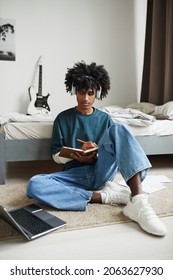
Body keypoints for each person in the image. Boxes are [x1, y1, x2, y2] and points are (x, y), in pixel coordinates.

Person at [27, 61, 167, 236]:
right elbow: (56, 154)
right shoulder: (62, 119)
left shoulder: (105, 119)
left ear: (97, 94)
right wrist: (74, 155)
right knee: (35, 184)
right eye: (81, 92)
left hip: (101, 171)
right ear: (74, 91)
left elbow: (114, 148)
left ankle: (138, 200)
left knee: (120, 129)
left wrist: (96, 152)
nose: (85, 98)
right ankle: (105, 197)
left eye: (90, 93)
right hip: (73, 175)